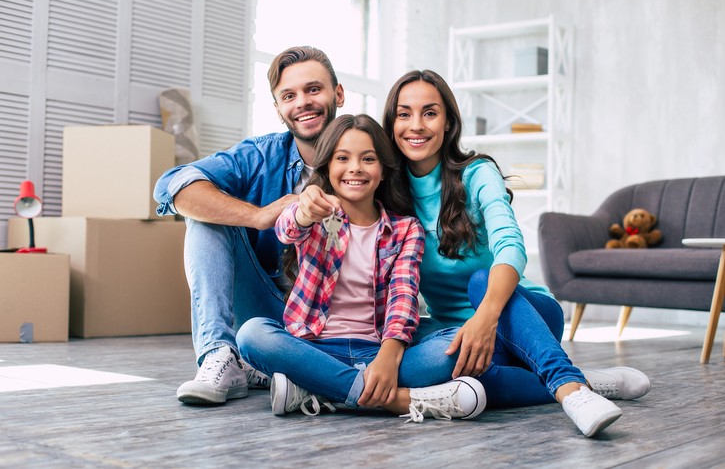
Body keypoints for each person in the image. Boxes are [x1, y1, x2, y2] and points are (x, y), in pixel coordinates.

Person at [381, 69, 651, 437]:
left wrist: (485, 318)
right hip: (457, 333)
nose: (416, 125)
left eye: (430, 112)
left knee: (482, 280)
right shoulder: (390, 194)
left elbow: (510, 243)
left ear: (448, 123)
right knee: (422, 371)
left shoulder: (477, 173)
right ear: (391, 123)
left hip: (521, 313)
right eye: (404, 113)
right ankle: (580, 378)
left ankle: (569, 387)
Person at [236, 114, 486, 423]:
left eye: (368, 159)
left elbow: (403, 297)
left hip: (376, 351)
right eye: (343, 158)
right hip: (314, 349)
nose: (355, 167)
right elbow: (286, 230)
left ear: (382, 171)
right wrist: (302, 210)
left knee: (452, 344)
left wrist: (388, 358)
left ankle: (322, 391)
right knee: (251, 334)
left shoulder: (406, 229)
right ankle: (395, 399)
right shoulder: (314, 215)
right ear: (327, 166)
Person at [153, 46, 345, 404]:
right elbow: (173, 183)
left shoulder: (372, 156)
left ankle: (272, 364)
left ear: (338, 93)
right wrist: (259, 216)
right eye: (289, 96)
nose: (302, 102)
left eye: (313, 89)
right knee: (206, 214)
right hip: (270, 313)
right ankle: (219, 355)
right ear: (278, 109)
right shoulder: (260, 155)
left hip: (344, 322)